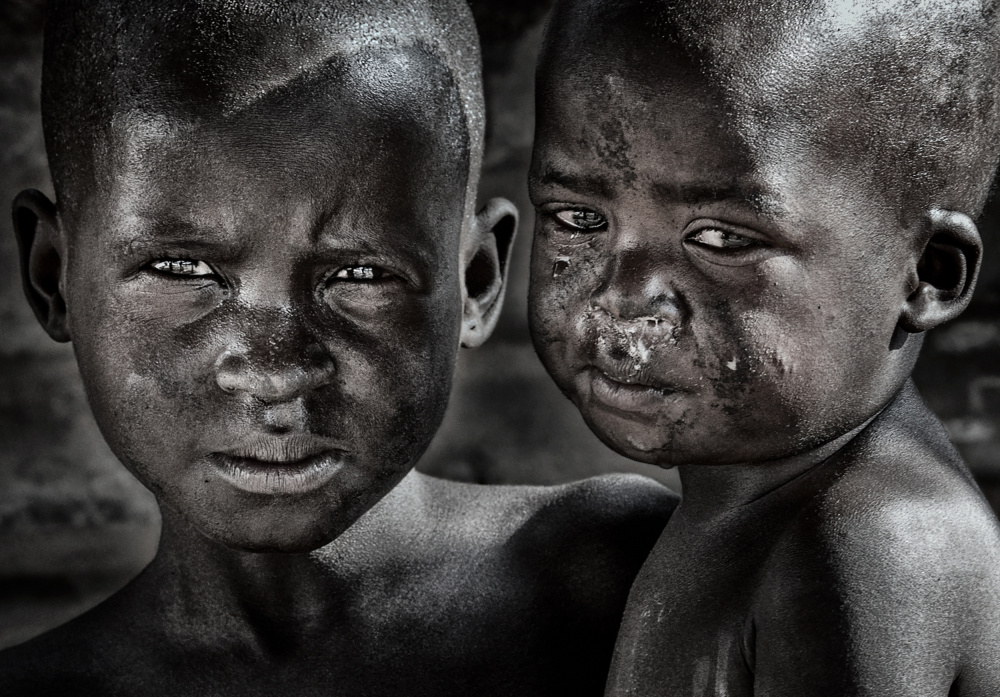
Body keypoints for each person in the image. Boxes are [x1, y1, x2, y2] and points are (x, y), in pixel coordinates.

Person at [0, 1, 678, 694]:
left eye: (359, 274)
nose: (274, 371)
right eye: (180, 269)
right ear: (53, 274)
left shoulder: (619, 580)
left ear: (474, 279)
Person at [528, 0, 1000, 694]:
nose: (621, 298)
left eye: (721, 238)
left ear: (927, 271)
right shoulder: (752, 507)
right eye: (578, 219)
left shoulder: (867, 544)